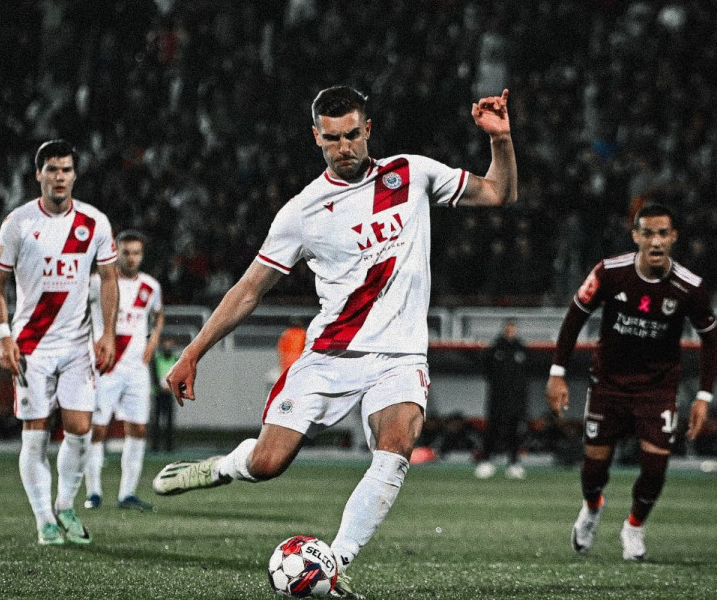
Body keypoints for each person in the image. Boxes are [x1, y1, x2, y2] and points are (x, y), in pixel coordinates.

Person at [152, 85, 517, 598]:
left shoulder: (411, 174)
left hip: (399, 356)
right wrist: (194, 352)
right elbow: (250, 289)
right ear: (316, 137)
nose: (344, 147)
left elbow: (499, 192)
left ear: (368, 129)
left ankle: (333, 562)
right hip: (329, 356)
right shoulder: (302, 212)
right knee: (267, 463)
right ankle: (222, 467)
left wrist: (500, 140)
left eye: (351, 135)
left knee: (397, 443)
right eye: (332, 139)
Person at [546, 203, 717, 561]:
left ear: (673, 238)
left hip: (658, 389)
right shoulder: (610, 272)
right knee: (594, 467)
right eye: (648, 233)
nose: (655, 241)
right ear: (636, 236)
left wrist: (704, 396)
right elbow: (575, 316)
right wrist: (557, 373)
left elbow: (711, 339)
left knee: (656, 468)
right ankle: (592, 507)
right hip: (608, 384)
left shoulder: (690, 287)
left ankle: (634, 527)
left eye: (663, 234)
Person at [0, 139, 118, 546]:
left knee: (80, 428)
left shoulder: (95, 223)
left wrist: (107, 333)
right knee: (36, 432)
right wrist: (3, 337)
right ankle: (44, 519)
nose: (59, 177)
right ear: (38, 174)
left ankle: (65, 505)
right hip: (32, 346)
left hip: (78, 345)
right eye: (52, 169)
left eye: (66, 170)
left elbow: (109, 280)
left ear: (74, 175)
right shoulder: (18, 223)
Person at [84, 230, 164, 511]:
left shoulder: (150, 286)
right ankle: (93, 492)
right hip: (105, 366)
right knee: (97, 429)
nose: (131, 258)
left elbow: (159, 315)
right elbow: (78, 311)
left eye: (136, 253)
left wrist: (153, 341)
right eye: (126, 252)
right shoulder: (98, 283)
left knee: (138, 429)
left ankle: (127, 494)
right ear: (116, 252)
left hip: (136, 369)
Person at [475, 319, 529, 480]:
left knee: (514, 431)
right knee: (492, 430)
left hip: (516, 400)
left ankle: (514, 463)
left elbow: (528, 373)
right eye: (508, 328)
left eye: (513, 328)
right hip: (497, 398)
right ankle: (486, 461)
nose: (511, 331)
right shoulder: (495, 348)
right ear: (504, 329)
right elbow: (486, 369)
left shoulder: (522, 349)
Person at [151, 337, 180, 452]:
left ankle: (169, 446)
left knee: (169, 421)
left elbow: (177, 376)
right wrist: (160, 387)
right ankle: (155, 446)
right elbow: (154, 376)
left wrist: (171, 387)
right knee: (157, 421)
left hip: (169, 394)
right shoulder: (157, 359)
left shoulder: (175, 359)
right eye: (166, 346)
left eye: (170, 346)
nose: (168, 348)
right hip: (159, 394)